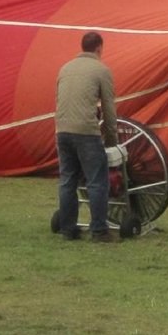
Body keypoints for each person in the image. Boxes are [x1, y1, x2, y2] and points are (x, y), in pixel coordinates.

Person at [54, 31, 118, 242]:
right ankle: (99, 230)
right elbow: (109, 108)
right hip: (86, 132)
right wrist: (111, 140)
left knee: (67, 180)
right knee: (97, 182)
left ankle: (68, 228)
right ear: (99, 48)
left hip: (62, 130)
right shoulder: (101, 70)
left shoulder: (65, 68)